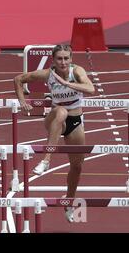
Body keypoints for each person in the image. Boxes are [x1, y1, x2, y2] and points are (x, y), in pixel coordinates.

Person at [14, 44, 95, 222]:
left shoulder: (77, 72)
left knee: (77, 166)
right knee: (61, 111)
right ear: (54, 60)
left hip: (75, 122)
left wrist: (67, 83)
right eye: (59, 58)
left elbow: (91, 89)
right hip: (54, 119)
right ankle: (46, 160)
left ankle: (69, 202)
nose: (63, 62)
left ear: (71, 59)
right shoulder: (47, 74)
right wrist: (22, 101)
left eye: (66, 58)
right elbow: (18, 79)